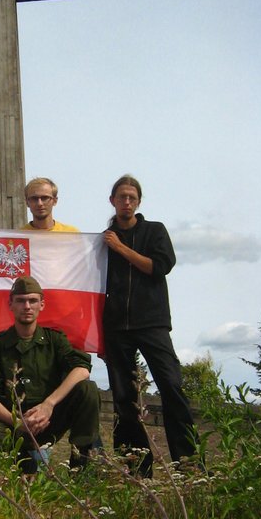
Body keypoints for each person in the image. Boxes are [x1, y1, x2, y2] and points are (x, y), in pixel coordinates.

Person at [102, 174, 197, 476]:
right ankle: (136, 468)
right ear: (112, 201)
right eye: (121, 197)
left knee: (171, 386)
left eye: (131, 197)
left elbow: (159, 267)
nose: (126, 202)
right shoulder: (102, 240)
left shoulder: (154, 231)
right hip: (116, 326)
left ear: (138, 202)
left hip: (152, 322)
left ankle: (188, 464)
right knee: (123, 398)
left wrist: (121, 249)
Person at [0, 276, 100, 473]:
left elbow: (82, 370)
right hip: (15, 422)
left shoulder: (55, 340)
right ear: (11, 304)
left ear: (42, 304)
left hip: (50, 418)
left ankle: (80, 467)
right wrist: (18, 422)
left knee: (88, 389)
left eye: (32, 300)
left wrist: (49, 404)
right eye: (20, 300)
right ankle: (26, 465)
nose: (27, 306)